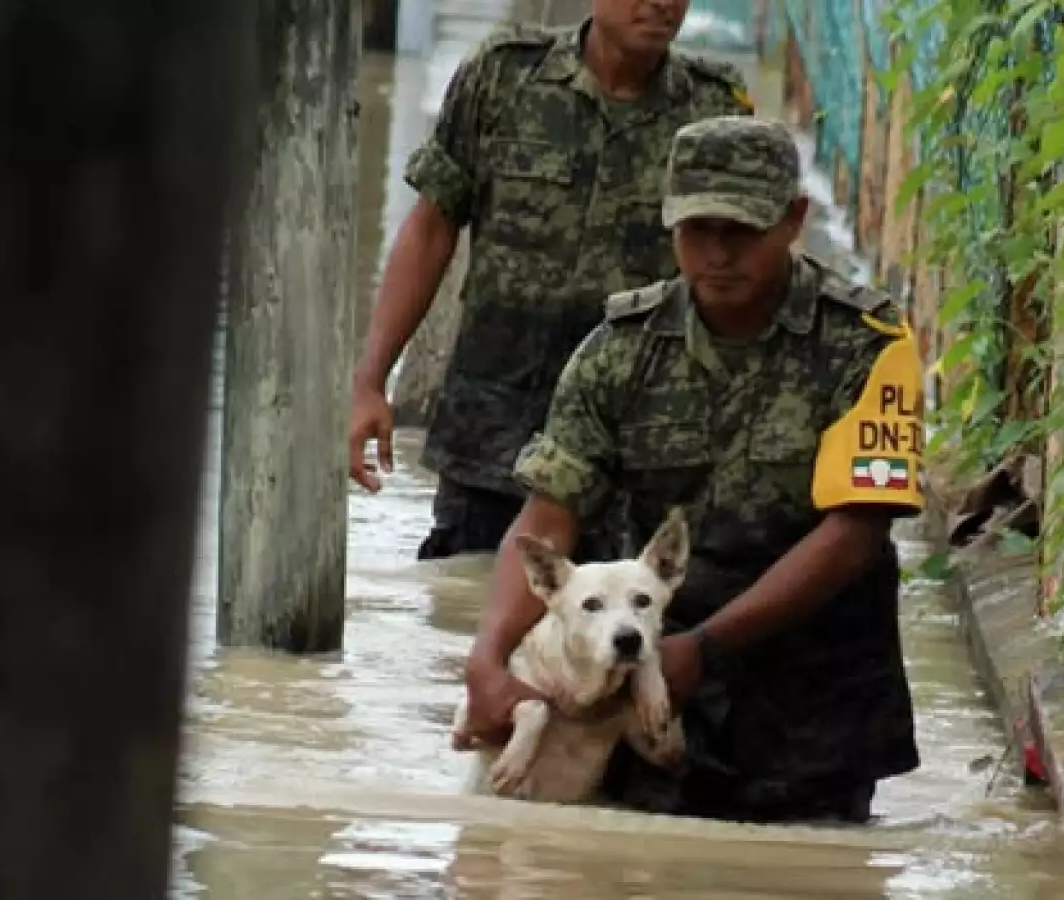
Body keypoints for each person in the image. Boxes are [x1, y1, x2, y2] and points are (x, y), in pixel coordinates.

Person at [453, 116, 926, 824]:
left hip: (811, 707)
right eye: (697, 229)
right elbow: (551, 514)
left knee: (813, 860)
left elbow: (855, 533)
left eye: (742, 230)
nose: (718, 253)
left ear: (793, 219)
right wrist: (487, 660)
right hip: (644, 689)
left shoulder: (868, 345)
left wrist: (703, 649)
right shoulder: (618, 352)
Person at [347, 0, 756, 563]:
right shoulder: (503, 75)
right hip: (494, 438)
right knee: (469, 598)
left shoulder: (714, 110)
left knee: (625, 613)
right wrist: (371, 381)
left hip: (637, 453)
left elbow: (743, 271)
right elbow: (431, 229)